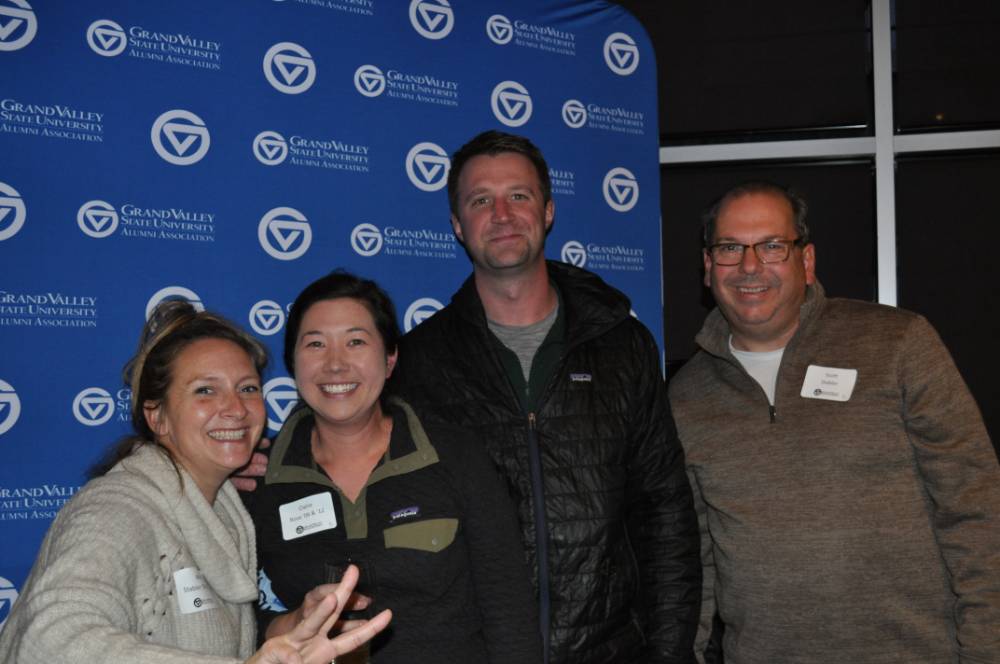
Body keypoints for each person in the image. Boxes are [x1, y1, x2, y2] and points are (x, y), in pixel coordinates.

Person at [389, 130, 701, 663]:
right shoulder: (419, 362)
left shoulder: (623, 345)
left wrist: (668, 654)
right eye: (480, 200)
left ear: (548, 211)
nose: (502, 215)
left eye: (519, 195)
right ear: (457, 225)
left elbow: (665, 513)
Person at [668, 181, 1000, 663]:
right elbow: (692, 557)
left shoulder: (897, 343)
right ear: (707, 266)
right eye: (729, 248)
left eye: (772, 246)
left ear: (806, 261)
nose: (749, 266)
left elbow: (976, 510)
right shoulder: (686, 395)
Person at [0, 302, 391, 664]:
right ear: (157, 416)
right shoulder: (117, 509)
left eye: (247, 388)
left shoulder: (222, 512)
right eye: (205, 390)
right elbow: (49, 640)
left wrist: (292, 625)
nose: (235, 409)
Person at [248, 271, 542, 663]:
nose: (335, 364)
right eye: (315, 343)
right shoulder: (258, 477)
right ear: (292, 363)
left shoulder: (454, 455)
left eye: (355, 342)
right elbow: (232, 617)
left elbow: (508, 607)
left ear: (390, 360)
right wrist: (288, 622)